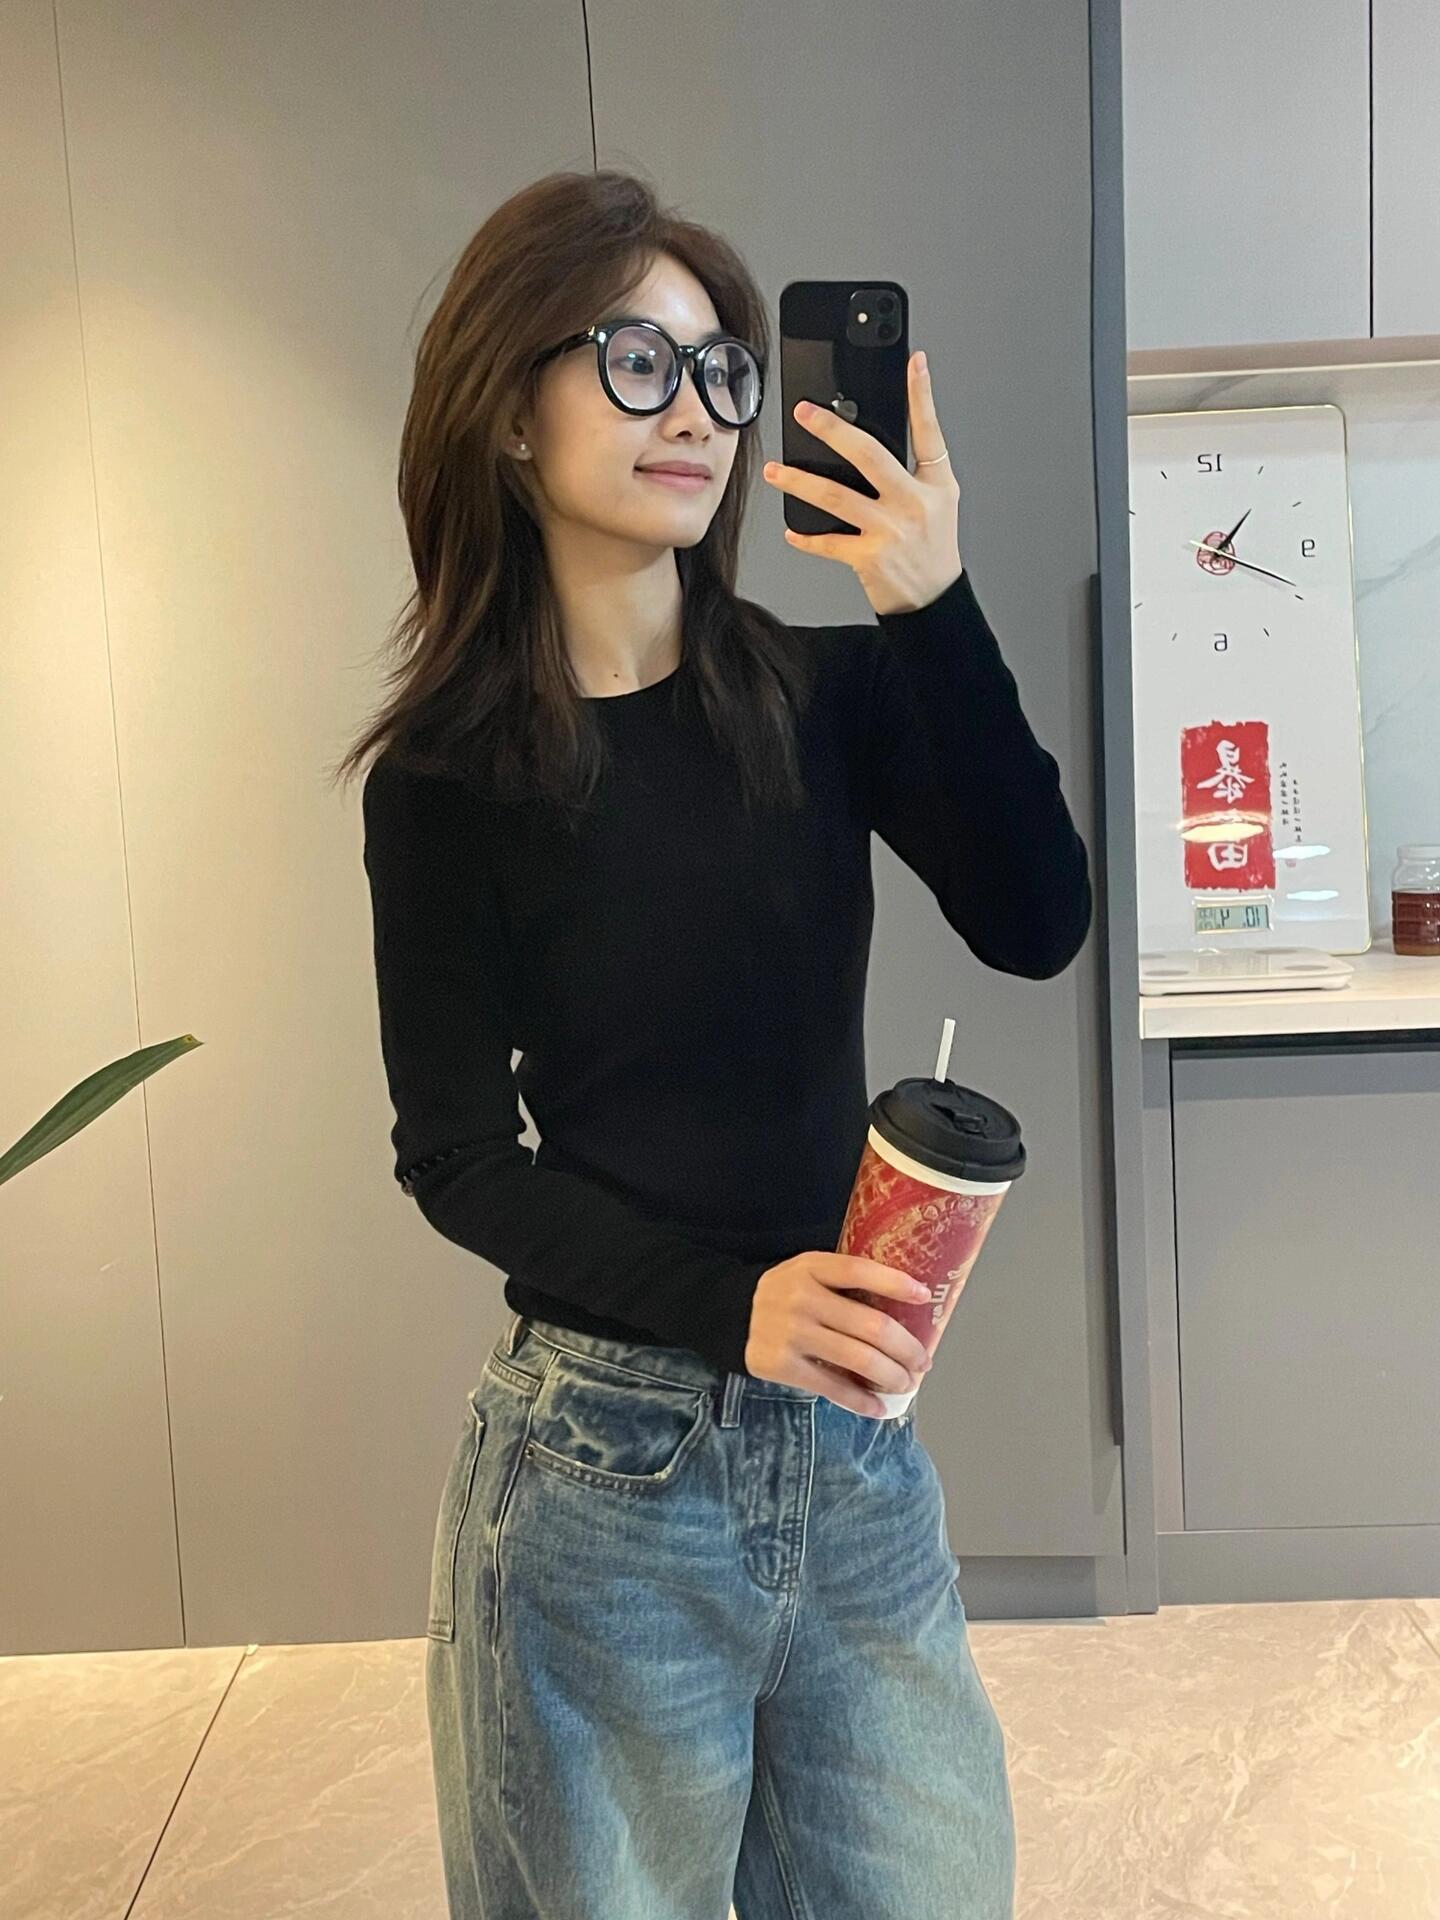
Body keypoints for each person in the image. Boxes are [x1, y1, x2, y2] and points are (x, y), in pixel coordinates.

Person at [341, 168, 1091, 1919]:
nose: (697, 412)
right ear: (507, 412)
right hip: (601, 1478)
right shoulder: (448, 782)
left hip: (852, 1453)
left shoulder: (826, 697)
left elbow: (1037, 918)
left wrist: (933, 603)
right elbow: (455, 1156)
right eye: (636, 362)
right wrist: (726, 1303)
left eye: (722, 371)